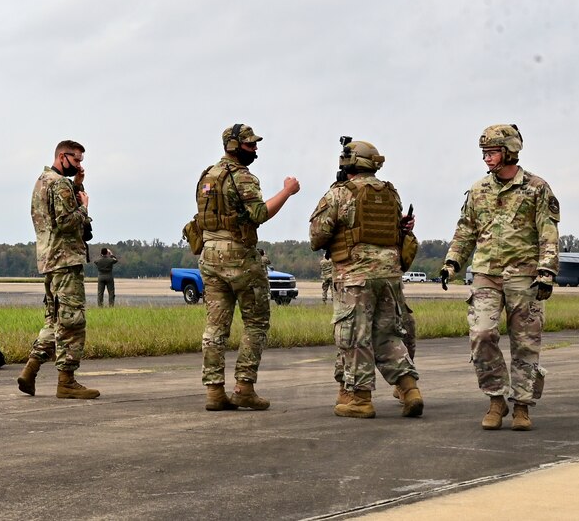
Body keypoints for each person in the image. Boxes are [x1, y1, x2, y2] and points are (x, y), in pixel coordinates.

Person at [440, 124, 559, 431]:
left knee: (525, 343)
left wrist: (546, 271)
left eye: (492, 153)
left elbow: (548, 232)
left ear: (509, 152)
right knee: (481, 335)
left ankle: (522, 406)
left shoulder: (536, 188)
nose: (487, 160)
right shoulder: (479, 190)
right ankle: (496, 399)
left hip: (525, 276)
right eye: (484, 154)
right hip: (486, 274)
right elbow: (465, 229)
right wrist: (452, 262)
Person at [309, 138, 423, 419]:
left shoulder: (339, 194)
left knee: (355, 336)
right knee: (386, 335)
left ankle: (360, 399)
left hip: (355, 276)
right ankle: (409, 389)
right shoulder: (390, 194)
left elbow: (317, 236)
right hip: (389, 276)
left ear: (348, 163)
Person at [196, 124, 300, 411]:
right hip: (239, 257)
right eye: (249, 145)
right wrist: (287, 191)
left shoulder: (208, 175)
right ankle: (244, 386)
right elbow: (259, 214)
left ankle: (214, 391)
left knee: (215, 326)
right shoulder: (242, 177)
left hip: (209, 254)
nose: (255, 150)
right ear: (233, 146)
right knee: (255, 322)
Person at [16, 140, 100, 400]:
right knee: (72, 322)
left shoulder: (43, 180)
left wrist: (77, 185)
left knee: (54, 320)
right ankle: (67, 381)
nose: (79, 165)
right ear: (62, 156)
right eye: (76, 160)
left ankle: (30, 370)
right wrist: (84, 207)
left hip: (49, 260)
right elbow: (65, 222)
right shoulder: (59, 184)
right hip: (65, 260)